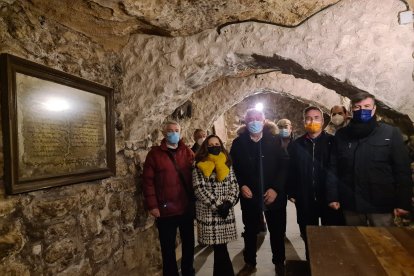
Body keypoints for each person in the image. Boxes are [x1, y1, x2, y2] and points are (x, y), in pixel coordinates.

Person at [326, 93, 413, 227]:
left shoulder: (390, 133)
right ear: (351, 110)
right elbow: (333, 168)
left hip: (381, 205)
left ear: (374, 109)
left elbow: (402, 170)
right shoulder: (342, 135)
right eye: (357, 107)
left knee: (383, 244)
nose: (362, 110)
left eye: (367, 106)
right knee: (354, 245)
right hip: (351, 204)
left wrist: (403, 202)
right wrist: (333, 196)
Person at [230, 108, 288, 276]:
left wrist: (276, 189)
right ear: (245, 122)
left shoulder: (276, 140)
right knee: (250, 231)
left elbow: (284, 167)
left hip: (273, 195)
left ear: (264, 121)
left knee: (277, 231)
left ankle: (279, 262)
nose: (254, 122)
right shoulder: (238, 143)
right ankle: (250, 263)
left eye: (257, 118)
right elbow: (233, 168)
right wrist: (241, 185)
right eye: (250, 119)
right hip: (250, 195)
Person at [287, 106, 344, 260]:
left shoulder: (332, 142)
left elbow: (338, 171)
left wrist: (336, 195)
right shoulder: (296, 145)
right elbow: (289, 170)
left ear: (323, 121)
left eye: (316, 117)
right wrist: (292, 193)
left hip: (328, 200)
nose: (312, 121)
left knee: (331, 238)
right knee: (309, 239)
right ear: (304, 121)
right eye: (309, 118)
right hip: (305, 200)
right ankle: (312, 267)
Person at [142, 120, 195, 276]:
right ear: (164, 133)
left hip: (185, 207)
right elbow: (148, 181)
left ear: (181, 132)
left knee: (189, 244)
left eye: (176, 130)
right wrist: (152, 206)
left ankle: (188, 272)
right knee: (167, 247)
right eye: (170, 131)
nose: (173, 133)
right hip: (166, 209)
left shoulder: (187, 152)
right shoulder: (154, 154)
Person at [193, 134, 239, 276]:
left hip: (226, 211)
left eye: (217, 144)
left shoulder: (226, 163)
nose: (214, 147)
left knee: (221, 248)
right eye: (211, 145)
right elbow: (199, 189)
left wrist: (229, 202)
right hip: (210, 213)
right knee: (220, 249)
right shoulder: (199, 165)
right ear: (205, 147)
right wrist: (219, 205)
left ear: (221, 145)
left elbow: (234, 185)